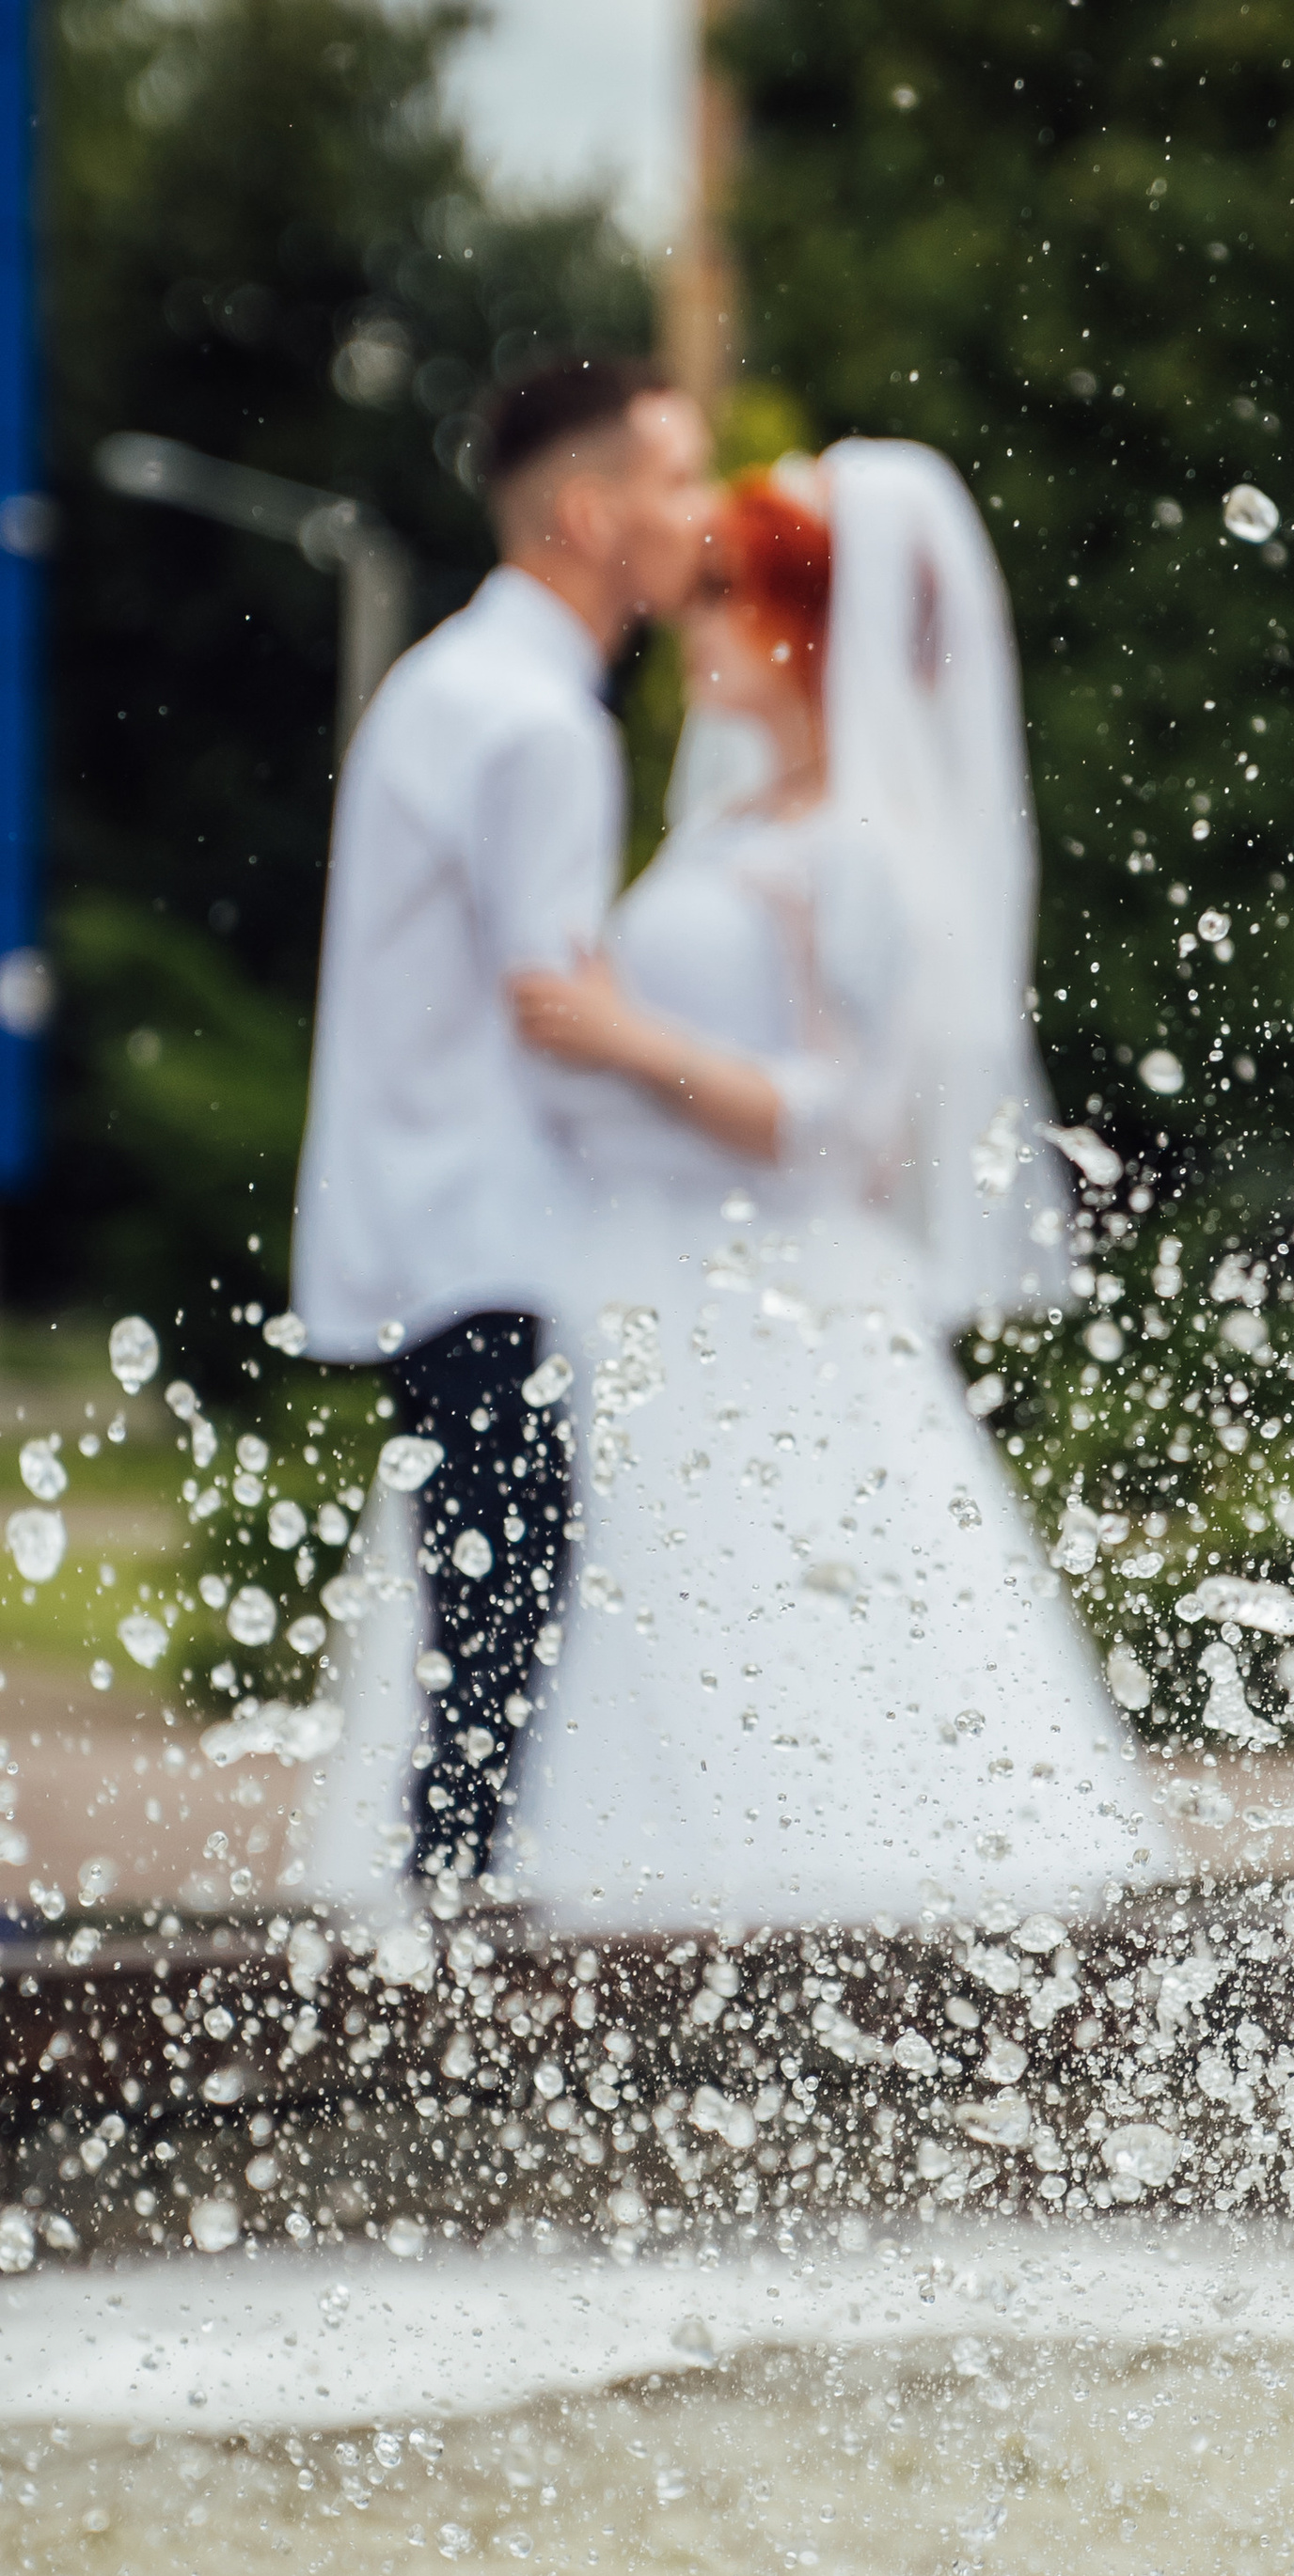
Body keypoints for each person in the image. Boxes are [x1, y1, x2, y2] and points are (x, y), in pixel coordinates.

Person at [476, 453, 1162, 1931]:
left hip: (773, 1287)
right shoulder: (734, 821)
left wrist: (624, 1037)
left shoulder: (868, 851)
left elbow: (856, 1130)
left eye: (731, 591)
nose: (695, 621)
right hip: (636, 1276)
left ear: (811, 622)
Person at [292, 351, 711, 1904]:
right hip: (482, 1219)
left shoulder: (450, 681)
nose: (699, 513)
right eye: (674, 480)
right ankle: (449, 1940)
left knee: (483, 1582)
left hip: (421, 1203)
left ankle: (445, 1908)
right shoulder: (541, 722)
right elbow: (559, 1007)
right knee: (505, 1588)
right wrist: (733, 1108)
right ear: (589, 515)